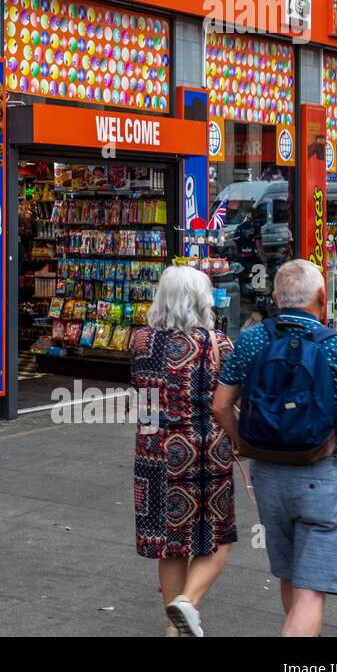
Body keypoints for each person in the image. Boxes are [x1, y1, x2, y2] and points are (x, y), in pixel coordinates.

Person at [212, 259, 337, 637]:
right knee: (310, 593)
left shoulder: (251, 340)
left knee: (290, 574)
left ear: (275, 297)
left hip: (268, 478)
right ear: (322, 296)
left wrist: (247, 445)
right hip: (321, 478)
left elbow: (221, 406)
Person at [129, 265, 236, 638]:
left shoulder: (140, 340)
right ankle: (186, 604)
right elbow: (229, 401)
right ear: (201, 300)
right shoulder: (218, 343)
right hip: (204, 452)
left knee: (170, 545)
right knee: (216, 537)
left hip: (154, 454)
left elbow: (143, 395)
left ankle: (173, 629)